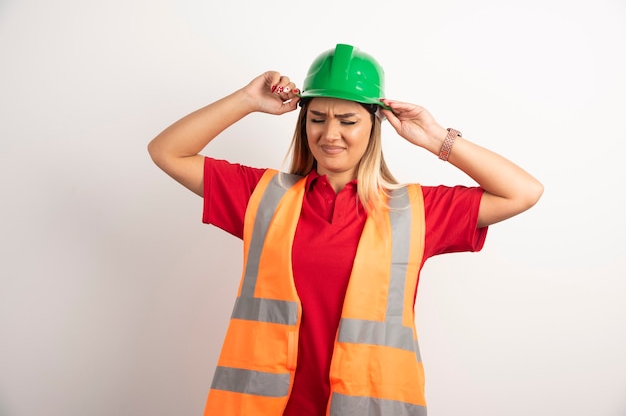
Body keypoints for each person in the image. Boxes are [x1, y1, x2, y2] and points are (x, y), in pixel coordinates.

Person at [147, 43, 543, 416]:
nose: (329, 134)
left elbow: (523, 192)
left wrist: (438, 138)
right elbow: (167, 151)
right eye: (317, 119)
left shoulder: (415, 211)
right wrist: (247, 100)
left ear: (374, 126)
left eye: (347, 120)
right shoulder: (263, 196)